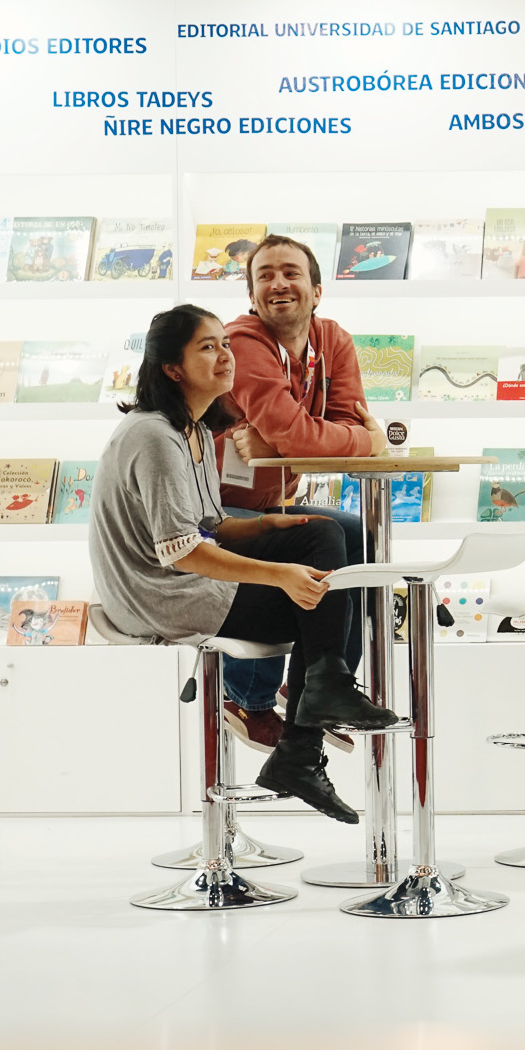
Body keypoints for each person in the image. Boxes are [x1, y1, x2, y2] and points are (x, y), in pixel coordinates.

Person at [89, 305, 397, 823]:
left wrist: (264, 527)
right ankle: (303, 743)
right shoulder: (153, 437)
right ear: (172, 368)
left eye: (225, 344)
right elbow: (181, 549)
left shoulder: (192, 429)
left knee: (322, 532)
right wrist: (280, 573)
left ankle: (321, 700)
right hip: (160, 593)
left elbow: (210, 525)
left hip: (180, 577)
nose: (225, 356)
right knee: (317, 600)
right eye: (207, 347)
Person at [217, 235, 386, 755]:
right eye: (264, 275)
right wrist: (367, 442)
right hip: (215, 507)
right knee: (307, 541)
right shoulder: (241, 343)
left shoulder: (332, 340)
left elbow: (335, 426)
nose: (278, 284)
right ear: (251, 294)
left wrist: (288, 440)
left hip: (273, 499)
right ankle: (247, 698)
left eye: (290, 273)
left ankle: (321, 686)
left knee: (358, 536)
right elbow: (311, 436)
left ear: (317, 289)